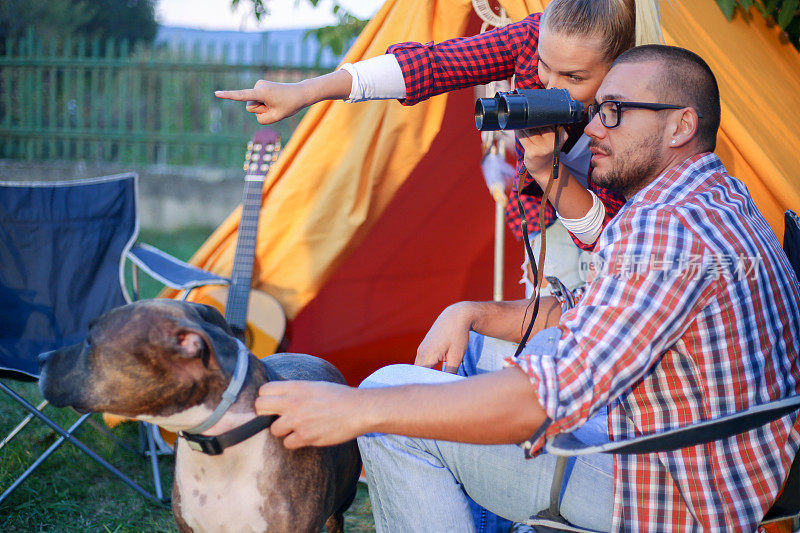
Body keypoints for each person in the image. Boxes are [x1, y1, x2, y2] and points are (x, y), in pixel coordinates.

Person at [252, 45, 800, 531]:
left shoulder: (666, 228)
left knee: (385, 400)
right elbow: (595, 312)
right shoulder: (714, 193)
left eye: (613, 113)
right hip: (726, 455)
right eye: (595, 111)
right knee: (482, 349)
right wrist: (471, 312)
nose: (592, 129)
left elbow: (541, 401)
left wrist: (358, 410)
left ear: (680, 125)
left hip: (672, 488)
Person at [216, 0, 662, 298]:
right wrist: (307, 91)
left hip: (627, 245)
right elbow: (433, 64)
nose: (551, 86)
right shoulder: (530, 38)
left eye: (575, 78)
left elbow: (610, 239)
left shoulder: (649, 102)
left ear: (622, 64)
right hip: (546, 225)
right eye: (544, 67)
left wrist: (548, 171)